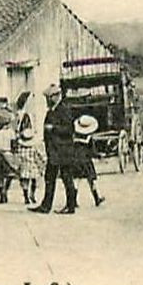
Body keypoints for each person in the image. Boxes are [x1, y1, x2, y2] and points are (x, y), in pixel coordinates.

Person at [30, 85, 80, 214]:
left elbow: (69, 130)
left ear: (56, 96)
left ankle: (70, 206)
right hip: (54, 151)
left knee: (66, 177)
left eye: (49, 97)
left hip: (63, 151)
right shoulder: (52, 110)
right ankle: (47, 206)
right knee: (50, 177)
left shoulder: (63, 109)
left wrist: (53, 128)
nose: (47, 100)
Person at [12, 90, 44, 205]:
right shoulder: (26, 116)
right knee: (33, 178)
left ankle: (26, 195)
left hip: (21, 142)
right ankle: (32, 195)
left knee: (24, 177)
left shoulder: (15, 115)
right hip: (26, 140)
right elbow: (27, 129)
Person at [72, 114, 106, 208]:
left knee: (77, 180)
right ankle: (97, 198)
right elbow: (92, 151)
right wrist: (99, 155)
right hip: (86, 161)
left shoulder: (75, 137)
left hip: (76, 160)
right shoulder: (89, 139)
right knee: (92, 180)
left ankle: (74, 200)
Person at [0, 110, 17, 204]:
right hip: (7, 154)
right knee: (9, 174)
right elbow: (13, 144)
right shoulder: (10, 132)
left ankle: (2, 193)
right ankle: (5, 189)